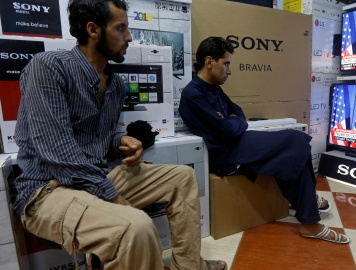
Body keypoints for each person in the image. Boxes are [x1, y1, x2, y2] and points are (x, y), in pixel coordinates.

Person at [13, 1, 225, 270]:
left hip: (96, 178)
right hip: (48, 191)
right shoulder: (48, 67)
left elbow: (95, 141)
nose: (129, 37)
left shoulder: (115, 84)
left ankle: (189, 266)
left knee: (182, 177)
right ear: (93, 30)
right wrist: (113, 196)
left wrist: (120, 142)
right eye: (120, 28)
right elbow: (58, 153)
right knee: (135, 227)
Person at [179, 37, 350, 244]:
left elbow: (238, 114)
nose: (229, 70)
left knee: (295, 145)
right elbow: (226, 128)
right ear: (209, 62)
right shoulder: (192, 95)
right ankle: (310, 219)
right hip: (226, 155)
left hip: (238, 142)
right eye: (226, 64)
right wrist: (234, 124)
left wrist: (234, 123)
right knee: (295, 140)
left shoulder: (213, 87)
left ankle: (308, 212)